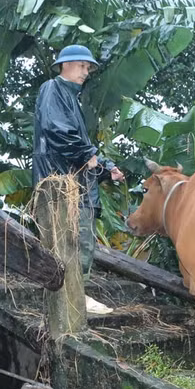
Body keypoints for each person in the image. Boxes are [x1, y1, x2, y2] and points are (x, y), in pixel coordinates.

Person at [32, 44, 125, 315]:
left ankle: (76, 294)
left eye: (88, 68)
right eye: (82, 65)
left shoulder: (71, 97)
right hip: (62, 185)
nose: (86, 71)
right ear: (65, 65)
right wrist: (88, 154)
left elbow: (82, 143)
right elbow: (57, 131)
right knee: (72, 243)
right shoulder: (53, 89)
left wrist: (108, 168)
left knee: (79, 243)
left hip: (77, 185)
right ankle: (75, 298)